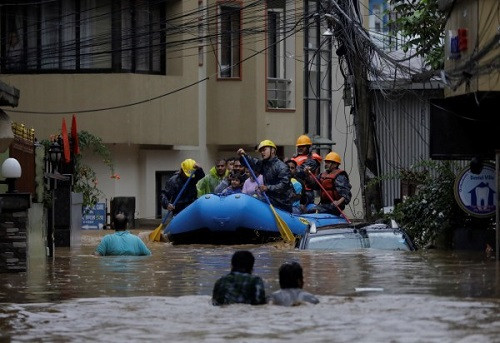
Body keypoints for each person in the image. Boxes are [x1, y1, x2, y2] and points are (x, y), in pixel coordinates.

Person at [237, 140, 295, 212]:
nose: (262, 152)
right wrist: (244, 156)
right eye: (261, 151)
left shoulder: (282, 166)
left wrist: (267, 188)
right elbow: (253, 162)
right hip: (269, 199)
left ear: (273, 150)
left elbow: (284, 185)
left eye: (264, 150)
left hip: (282, 202)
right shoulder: (264, 164)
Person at [309, 151, 352, 216]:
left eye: (328, 162)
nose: (326, 164)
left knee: (314, 210)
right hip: (324, 204)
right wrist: (308, 175)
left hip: (335, 206)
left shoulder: (340, 176)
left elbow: (346, 194)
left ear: (335, 164)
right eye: (326, 162)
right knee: (310, 210)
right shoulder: (322, 175)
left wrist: (338, 202)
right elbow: (314, 185)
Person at [292, 135, 323, 205]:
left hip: (306, 191)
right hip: (294, 188)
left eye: (302, 146)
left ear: (308, 147)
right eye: (299, 147)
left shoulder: (312, 160)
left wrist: (290, 168)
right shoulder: (295, 158)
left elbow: (301, 172)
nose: (300, 148)